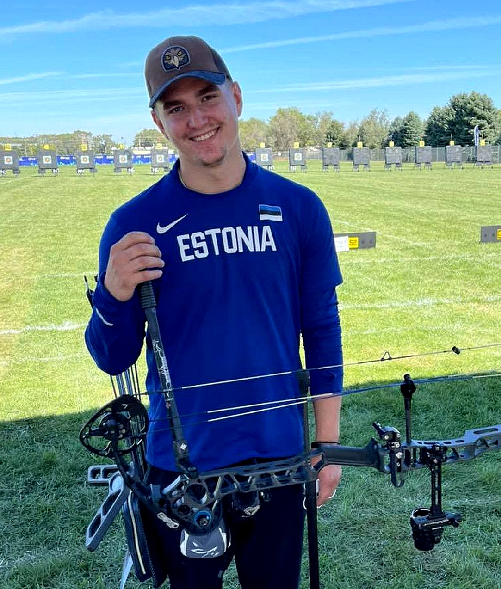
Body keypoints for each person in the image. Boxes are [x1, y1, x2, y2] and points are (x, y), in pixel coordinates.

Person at [85, 35, 343, 589]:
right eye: (176, 107)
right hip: (181, 467)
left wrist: (328, 444)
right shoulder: (134, 224)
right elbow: (111, 357)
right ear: (158, 123)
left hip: (279, 458)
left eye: (208, 97)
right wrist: (113, 293)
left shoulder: (299, 207)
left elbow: (322, 329)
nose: (197, 119)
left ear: (237, 97)